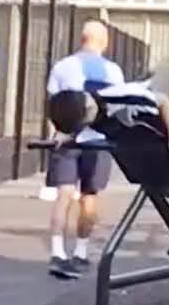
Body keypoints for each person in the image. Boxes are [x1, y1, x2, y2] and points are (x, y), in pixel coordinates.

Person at [46, 83, 169, 257]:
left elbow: (163, 101)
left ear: (87, 108)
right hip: (136, 153)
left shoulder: (121, 96)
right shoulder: (83, 112)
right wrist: (65, 136)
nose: (84, 127)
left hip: (165, 145)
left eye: (84, 123)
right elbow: (74, 128)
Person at [43, 20, 125, 279]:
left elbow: (53, 107)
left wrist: (55, 134)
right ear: (104, 42)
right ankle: (80, 252)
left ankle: (57, 252)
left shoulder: (63, 66)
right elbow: (117, 109)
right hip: (98, 141)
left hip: (67, 138)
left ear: (81, 38)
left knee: (64, 195)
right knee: (89, 198)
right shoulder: (113, 71)